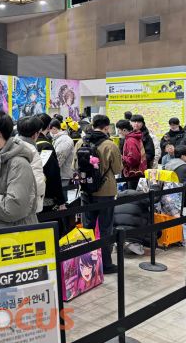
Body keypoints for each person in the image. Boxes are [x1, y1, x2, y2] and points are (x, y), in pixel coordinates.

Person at [75, 115, 122, 275]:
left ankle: (86, 261)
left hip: (86, 189)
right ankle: (106, 264)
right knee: (105, 228)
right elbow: (117, 169)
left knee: (87, 226)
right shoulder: (110, 145)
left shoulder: (81, 143)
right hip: (105, 191)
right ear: (106, 127)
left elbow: (75, 165)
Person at [15, 116, 47, 213]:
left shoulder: (11, 145)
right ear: (34, 134)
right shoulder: (31, 151)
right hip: (27, 204)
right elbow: (38, 183)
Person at [36, 114, 66, 212]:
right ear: (49, 126)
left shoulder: (25, 143)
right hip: (45, 195)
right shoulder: (46, 146)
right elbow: (53, 174)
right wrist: (61, 200)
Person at [115, 119, 145, 189]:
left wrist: (121, 157)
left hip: (133, 173)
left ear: (124, 130)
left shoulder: (130, 140)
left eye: (119, 130)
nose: (118, 133)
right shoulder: (133, 137)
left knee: (132, 193)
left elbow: (133, 160)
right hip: (137, 172)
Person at [49, 118, 75, 195]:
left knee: (63, 196)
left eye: (49, 130)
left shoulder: (64, 140)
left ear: (54, 128)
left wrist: (51, 171)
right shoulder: (59, 139)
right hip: (60, 174)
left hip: (63, 174)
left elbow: (59, 158)